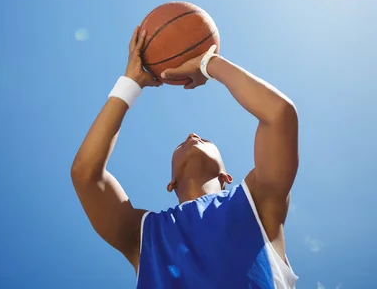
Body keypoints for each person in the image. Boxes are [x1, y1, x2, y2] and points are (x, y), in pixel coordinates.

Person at [71, 27, 299, 288]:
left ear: (226, 176)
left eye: (206, 140)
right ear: (170, 183)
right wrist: (130, 83)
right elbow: (85, 174)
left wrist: (207, 63)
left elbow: (279, 114)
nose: (193, 135)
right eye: (181, 142)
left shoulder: (258, 202)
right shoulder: (144, 234)